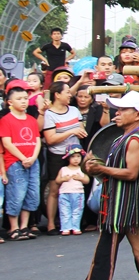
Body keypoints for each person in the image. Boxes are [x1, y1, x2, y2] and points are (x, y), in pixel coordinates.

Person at [55, 91, 139, 280]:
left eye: (123, 109)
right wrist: (92, 166)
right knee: (104, 252)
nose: (117, 113)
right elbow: (111, 170)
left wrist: (101, 169)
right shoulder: (121, 139)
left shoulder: (136, 140)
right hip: (117, 207)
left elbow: (130, 173)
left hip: (131, 209)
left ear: (137, 115)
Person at [42, 81, 87, 234]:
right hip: (57, 154)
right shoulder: (49, 114)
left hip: (75, 153)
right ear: (57, 94)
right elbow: (50, 139)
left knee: (78, 186)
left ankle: (75, 222)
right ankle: (50, 224)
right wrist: (71, 132)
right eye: (67, 92)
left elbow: (81, 129)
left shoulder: (74, 110)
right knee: (55, 189)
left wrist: (79, 131)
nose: (70, 95)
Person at [2, 82, 42, 240]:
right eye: (19, 99)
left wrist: (33, 157)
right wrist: (23, 158)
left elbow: (37, 140)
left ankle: (24, 226)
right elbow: (7, 143)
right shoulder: (6, 120)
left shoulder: (31, 119)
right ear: (10, 102)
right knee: (16, 194)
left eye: (25, 98)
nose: (23, 101)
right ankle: (14, 227)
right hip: (15, 162)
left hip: (32, 161)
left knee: (32, 194)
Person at [56, 146, 89, 235]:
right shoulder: (64, 169)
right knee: (64, 211)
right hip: (64, 193)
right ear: (68, 158)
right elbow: (57, 180)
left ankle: (76, 227)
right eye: (73, 157)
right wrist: (63, 179)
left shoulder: (82, 169)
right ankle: (66, 228)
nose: (76, 159)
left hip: (78, 193)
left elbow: (87, 180)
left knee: (77, 211)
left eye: (78, 156)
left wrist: (80, 178)